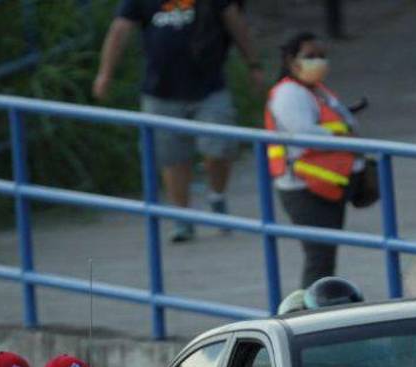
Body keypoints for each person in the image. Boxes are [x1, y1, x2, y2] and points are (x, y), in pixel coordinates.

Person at [92, 0, 264, 243]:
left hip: (209, 87)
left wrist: (253, 64)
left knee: (219, 148)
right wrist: (105, 73)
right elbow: (120, 30)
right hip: (160, 91)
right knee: (172, 157)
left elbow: (235, 22)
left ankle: (217, 196)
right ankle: (182, 218)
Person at [265, 32, 363, 288]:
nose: (318, 62)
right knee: (319, 258)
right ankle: (309, 317)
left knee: (325, 257)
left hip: (327, 183)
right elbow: (303, 133)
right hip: (303, 187)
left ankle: (318, 310)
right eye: (310, 56)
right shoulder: (288, 93)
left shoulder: (316, 91)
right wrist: (342, 135)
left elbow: (347, 122)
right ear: (291, 61)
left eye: (322, 56)